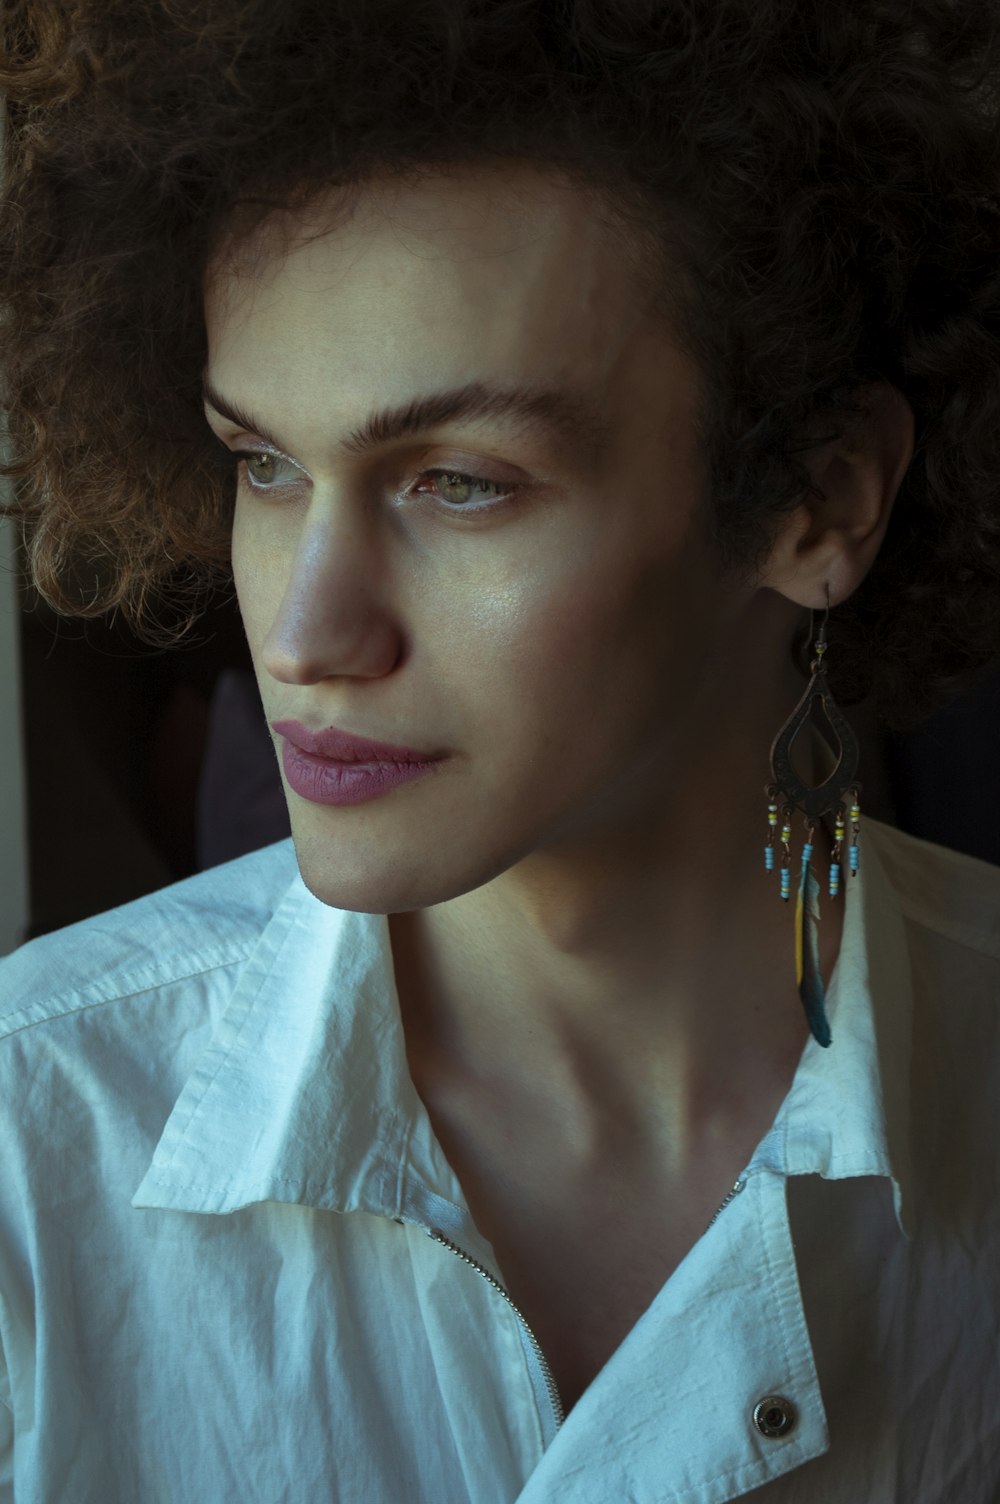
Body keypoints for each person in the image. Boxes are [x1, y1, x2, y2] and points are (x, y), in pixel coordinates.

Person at [1, 1, 1000, 1498]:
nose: (302, 632)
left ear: (816, 501)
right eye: (264, 464)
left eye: (460, 484)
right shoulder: (33, 1141)